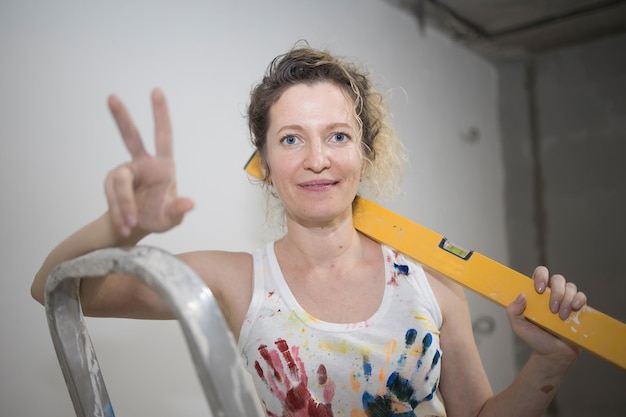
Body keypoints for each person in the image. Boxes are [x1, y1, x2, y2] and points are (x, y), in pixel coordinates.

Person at [31, 45, 587, 417]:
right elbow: (52, 288)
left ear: (365, 156)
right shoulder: (236, 282)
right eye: (292, 139)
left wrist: (550, 361)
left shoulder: (431, 285)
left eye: (338, 136)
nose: (317, 158)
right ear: (265, 164)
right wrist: (121, 227)